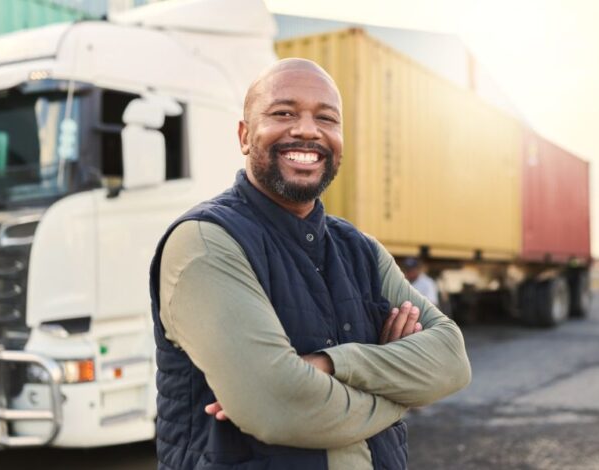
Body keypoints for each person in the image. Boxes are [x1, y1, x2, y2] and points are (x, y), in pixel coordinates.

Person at [149, 58, 471, 470]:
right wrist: (403, 392)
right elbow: (275, 405)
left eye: (326, 118)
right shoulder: (206, 241)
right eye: (283, 113)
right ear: (245, 136)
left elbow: (451, 360)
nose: (306, 129)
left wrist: (330, 365)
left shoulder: (361, 250)